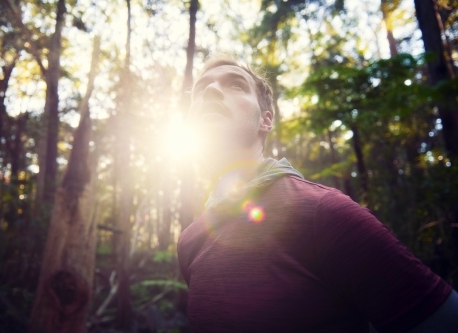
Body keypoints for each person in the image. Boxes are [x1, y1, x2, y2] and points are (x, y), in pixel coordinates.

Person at [176, 55, 458, 333]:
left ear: (266, 120)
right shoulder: (189, 241)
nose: (211, 91)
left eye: (235, 85)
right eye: (201, 88)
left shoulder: (324, 212)